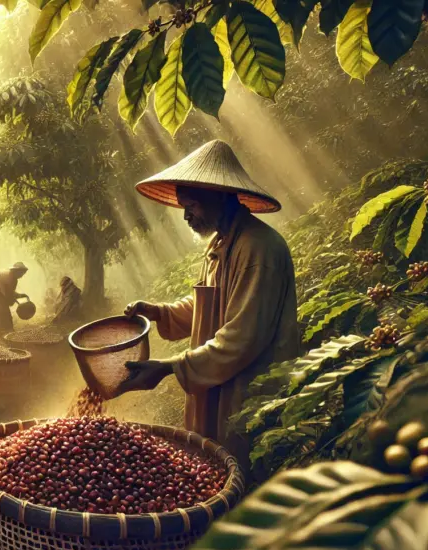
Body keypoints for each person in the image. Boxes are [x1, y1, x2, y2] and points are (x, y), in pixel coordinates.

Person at [118, 140, 299, 468]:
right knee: (213, 467)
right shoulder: (222, 243)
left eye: (193, 206)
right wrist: (159, 311)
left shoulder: (259, 249)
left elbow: (242, 338)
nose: (186, 216)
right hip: (219, 386)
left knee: (243, 472)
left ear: (219, 195)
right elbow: (206, 304)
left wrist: (170, 366)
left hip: (249, 393)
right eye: (184, 207)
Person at [0, 262, 28, 334]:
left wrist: (20, 296)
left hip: (0, 300)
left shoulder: (13, 279)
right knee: (2, 318)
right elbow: (7, 294)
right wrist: (14, 299)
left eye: (23, 273)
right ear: (16, 271)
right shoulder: (8, 278)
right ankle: (2, 334)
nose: (22, 275)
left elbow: (10, 293)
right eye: (21, 273)